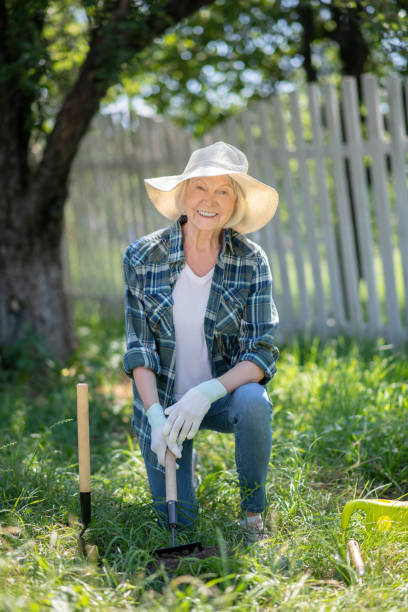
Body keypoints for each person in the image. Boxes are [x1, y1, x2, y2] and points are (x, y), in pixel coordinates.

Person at [123, 141, 279, 542]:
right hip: (164, 403)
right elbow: (138, 349)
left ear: (234, 203)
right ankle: (167, 446)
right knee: (180, 523)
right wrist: (156, 416)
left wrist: (206, 393)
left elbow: (261, 353)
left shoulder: (251, 260)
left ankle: (252, 518)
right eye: (200, 188)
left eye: (223, 190)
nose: (210, 201)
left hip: (221, 398)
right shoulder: (143, 257)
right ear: (183, 195)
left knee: (254, 402)